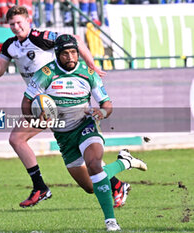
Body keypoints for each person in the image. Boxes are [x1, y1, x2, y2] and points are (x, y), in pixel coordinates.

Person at [0, 5, 129, 209]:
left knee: (17, 138)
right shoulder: (10, 45)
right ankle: (116, 184)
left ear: (29, 20)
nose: (16, 27)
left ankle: (40, 187)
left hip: (57, 100)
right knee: (88, 181)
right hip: (41, 103)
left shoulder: (40, 37)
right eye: (12, 24)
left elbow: (75, 40)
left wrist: (92, 66)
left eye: (19, 22)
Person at [21, 34, 148, 231]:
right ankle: (125, 162)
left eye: (74, 52)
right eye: (65, 53)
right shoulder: (45, 73)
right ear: (57, 55)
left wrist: (102, 112)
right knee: (91, 186)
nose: (70, 57)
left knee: (95, 165)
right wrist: (34, 120)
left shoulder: (88, 73)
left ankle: (110, 221)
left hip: (85, 125)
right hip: (63, 136)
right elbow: (27, 102)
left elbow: (107, 103)